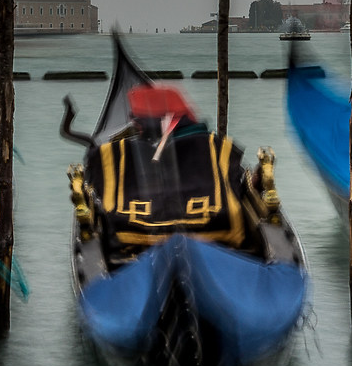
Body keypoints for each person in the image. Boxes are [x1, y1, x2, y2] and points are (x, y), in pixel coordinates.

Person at [74, 84, 274, 260]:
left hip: (135, 239)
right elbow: (238, 186)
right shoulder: (218, 149)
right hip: (217, 233)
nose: (133, 122)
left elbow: (97, 187)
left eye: (137, 119)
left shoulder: (113, 155)